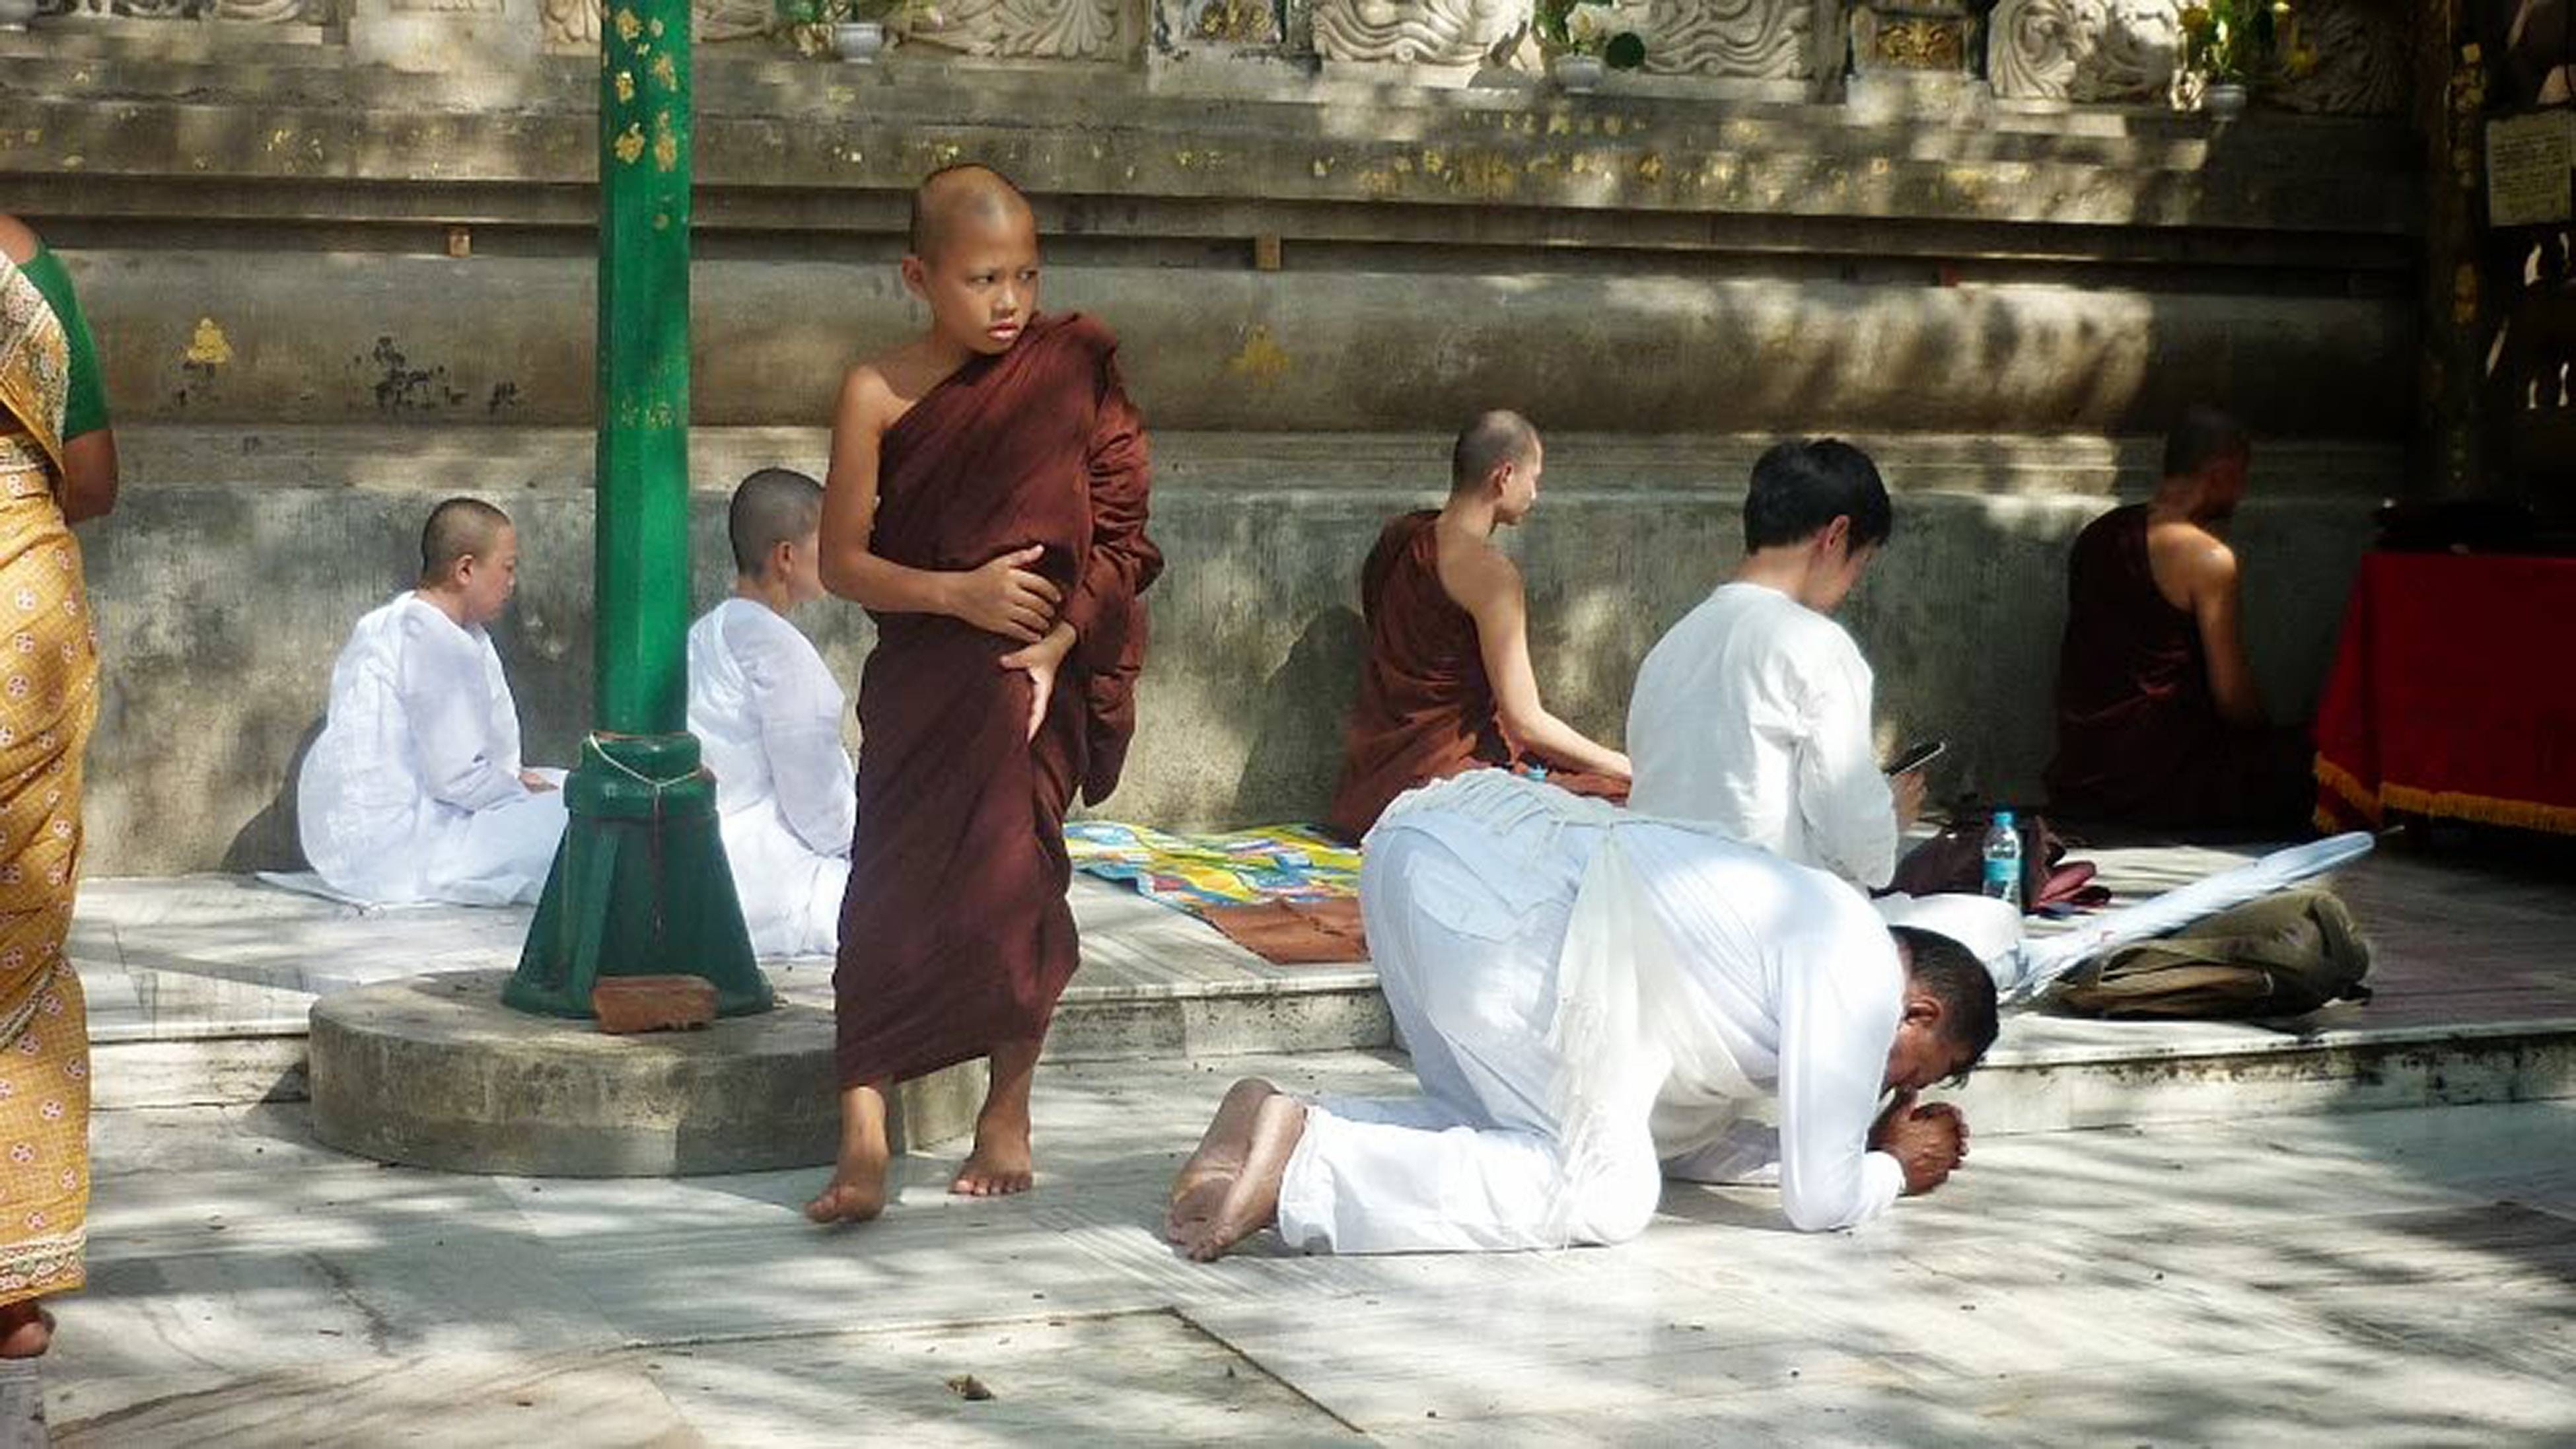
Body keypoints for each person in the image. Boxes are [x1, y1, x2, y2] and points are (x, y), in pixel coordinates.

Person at [1165, 771, 1992, 1260]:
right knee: (1605, 1191)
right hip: (1508, 904)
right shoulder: (1857, 963)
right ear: (1916, 1011)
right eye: (1908, 1073)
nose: (1888, 1093)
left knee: (1492, 1128)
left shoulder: (1795, 927)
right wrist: (1890, 1168)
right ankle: (1307, 1167)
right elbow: (1820, 1203)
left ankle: (1274, 1125)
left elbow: (1691, 1144)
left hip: (1425, 847)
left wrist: (1845, 1151)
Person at [806, 164, 1161, 1223]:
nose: (1010, 302)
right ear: (920, 276)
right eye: (981, 279)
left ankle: (1007, 1109)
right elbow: (840, 565)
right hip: (924, 672)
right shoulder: (876, 392)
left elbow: (1124, 529)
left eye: (1026, 275)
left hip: (1026, 681)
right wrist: (956, 593)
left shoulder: (1070, 367)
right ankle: (862, 1134)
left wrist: (1056, 646)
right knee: (883, 901)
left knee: (1017, 893)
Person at [0, 213, 116, 1420]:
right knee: (17, 949)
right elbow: (92, 479)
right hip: (19, 623)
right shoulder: (24, 268)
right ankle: (12, 1283)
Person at [1626, 439, 1924, 890]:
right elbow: (1856, 838)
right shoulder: (1818, 645)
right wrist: (1890, 818)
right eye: (1860, 566)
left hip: (1658, 906)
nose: (1851, 585)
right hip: (1771, 921)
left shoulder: (1669, 648)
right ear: (1836, 535)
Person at [1325, 411, 1631, 839]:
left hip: (1370, 786)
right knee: (1616, 801)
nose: (1536, 494)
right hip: (1441, 787)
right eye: (1534, 478)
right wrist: (1624, 765)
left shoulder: (1404, 537)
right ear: (1504, 476)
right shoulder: (1491, 575)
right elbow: (1526, 721)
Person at [2044, 407, 2313, 831]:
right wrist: (2271, 736)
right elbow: (2232, 698)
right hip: (2168, 776)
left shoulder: (2097, 536)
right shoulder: (2208, 558)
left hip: (2085, 773)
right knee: (2313, 762)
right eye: (2242, 477)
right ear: (2221, 473)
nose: (2241, 493)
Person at [295, 498, 568, 906]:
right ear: (465, 569)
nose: (512, 583)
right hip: (405, 844)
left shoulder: (401, 619)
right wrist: (516, 791)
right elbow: (456, 779)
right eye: (507, 568)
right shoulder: (432, 640)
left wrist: (513, 780)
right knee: (586, 818)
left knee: (566, 784)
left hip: (384, 831)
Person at [688, 468, 855, 958]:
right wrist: (863, 842)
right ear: (787, 557)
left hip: (705, 859)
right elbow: (815, 799)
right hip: (764, 873)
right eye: (828, 539)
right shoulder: (776, 649)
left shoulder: (707, 631)